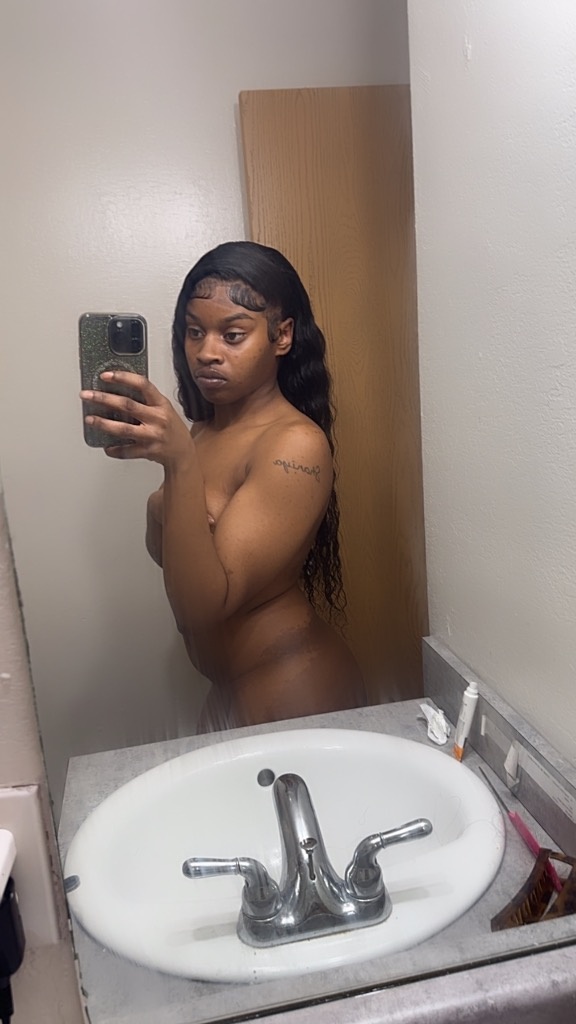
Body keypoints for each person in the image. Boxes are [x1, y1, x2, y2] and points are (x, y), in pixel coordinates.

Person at [80, 241, 366, 731]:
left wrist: (179, 466)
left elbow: (201, 607)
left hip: (293, 690)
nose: (207, 353)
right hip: (228, 689)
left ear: (281, 336)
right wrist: (167, 495)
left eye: (233, 335)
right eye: (195, 332)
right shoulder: (204, 431)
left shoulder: (295, 444)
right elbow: (175, 555)